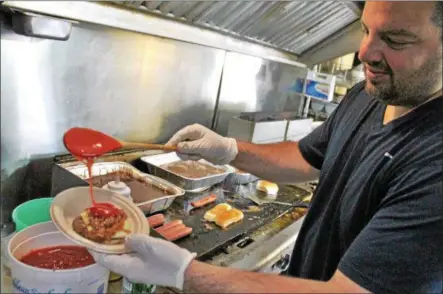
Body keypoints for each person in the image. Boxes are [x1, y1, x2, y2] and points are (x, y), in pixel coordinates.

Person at [91, 2, 442, 293]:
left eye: (395, 39)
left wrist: (185, 273)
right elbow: (306, 158)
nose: (365, 52)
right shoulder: (371, 93)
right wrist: (229, 150)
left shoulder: (435, 161)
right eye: (365, 30)